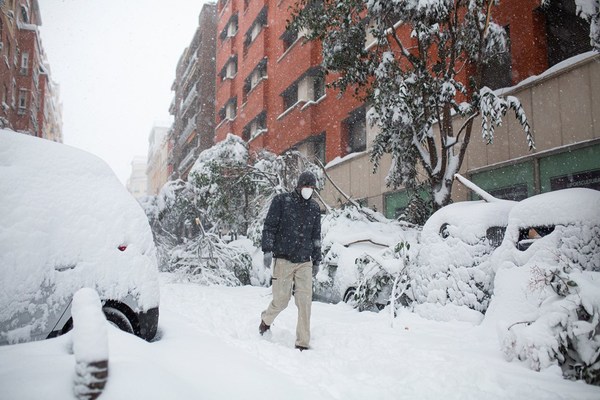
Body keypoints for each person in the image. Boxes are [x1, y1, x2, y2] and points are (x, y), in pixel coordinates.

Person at [258, 171, 322, 351]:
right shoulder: (282, 201)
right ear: (299, 186)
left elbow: (316, 236)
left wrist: (316, 260)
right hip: (284, 259)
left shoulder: (315, 208)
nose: (308, 190)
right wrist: (267, 250)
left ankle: (302, 342)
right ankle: (265, 320)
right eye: (306, 186)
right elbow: (269, 226)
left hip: (304, 261)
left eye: (312, 188)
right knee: (281, 300)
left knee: (305, 302)